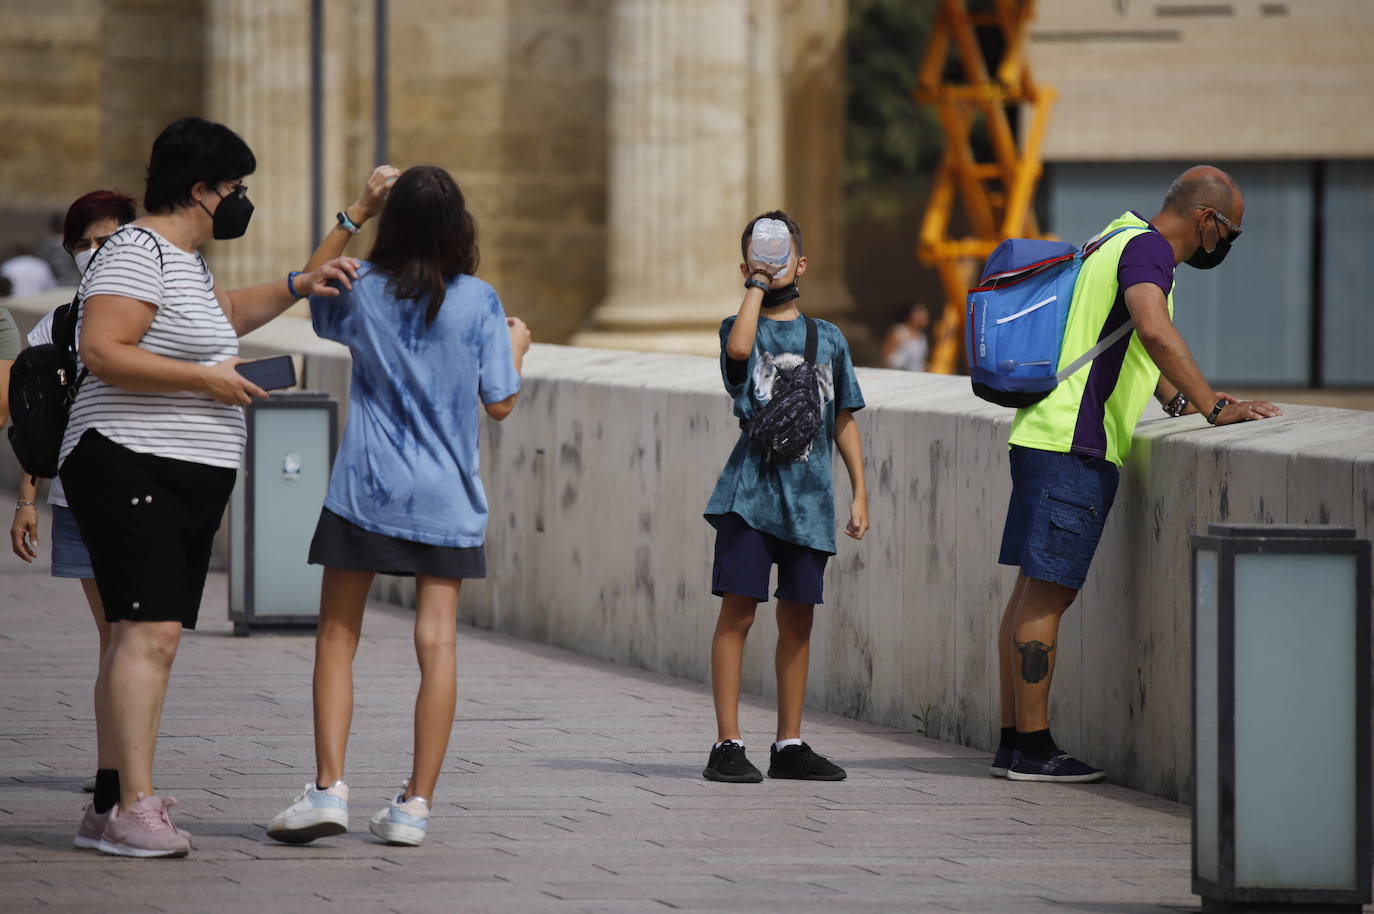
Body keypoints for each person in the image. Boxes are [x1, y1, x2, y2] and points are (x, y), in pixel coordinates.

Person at [57, 116, 358, 858]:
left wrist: (296, 284)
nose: (241, 200)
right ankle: (134, 807)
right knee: (147, 633)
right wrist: (205, 379)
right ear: (200, 190)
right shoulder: (134, 252)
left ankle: (113, 800)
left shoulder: (179, 260)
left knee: (142, 633)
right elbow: (102, 348)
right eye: (236, 188)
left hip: (174, 470)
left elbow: (218, 319)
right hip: (133, 461)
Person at [266, 164, 529, 849]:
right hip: (447, 497)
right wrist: (519, 346)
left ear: (395, 223)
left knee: (336, 636)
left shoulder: (361, 290)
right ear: (458, 227)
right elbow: (501, 402)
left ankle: (328, 788)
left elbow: (311, 281)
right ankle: (414, 806)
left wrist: (356, 209)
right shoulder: (479, 302)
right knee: (437, 644)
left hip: (366, 488)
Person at [991, 166, 1281, 783]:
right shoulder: (1150, 252)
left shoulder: (1117, 235)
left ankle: (1013, 741)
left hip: (1043, 434)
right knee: (1048, 594)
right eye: (1229, 232)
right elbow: (1151, 326)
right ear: (1207, 221)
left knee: (1030, 592)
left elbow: (1121, 344)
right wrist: (1214, 405)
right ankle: (1035, 749)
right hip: (1075, 445)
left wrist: (1175, 399)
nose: (1224, 245)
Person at [701, 210, 869, 784]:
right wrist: (755, 285)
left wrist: (860, 493)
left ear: (802, 263)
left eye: (781, 255)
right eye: (757, 255)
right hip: (750, 497)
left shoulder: (829, 338)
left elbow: (843, 417)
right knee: (739, 613)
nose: (771, 264)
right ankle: (727, 743)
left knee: (798, 620)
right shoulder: (736, 326)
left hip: (810, 501)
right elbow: (743, 351)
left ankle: (789, 742)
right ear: (746, 265)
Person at [10, 190, 139, 803]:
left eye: (105, 240)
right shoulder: (58, 323)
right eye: (82, 245)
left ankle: (118, 775)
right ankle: (119, 778)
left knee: (127, 638)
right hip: (78, 497)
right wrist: (27, 500)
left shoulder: (154, 313)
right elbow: (33, 419)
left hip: (143, 492)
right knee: (117, 636)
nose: (93, 253)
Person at [882, 302, 931, 371]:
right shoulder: (898, 331)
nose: (925, 316)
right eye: (920, 314)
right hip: (899, 375)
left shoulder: (922, 335)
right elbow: (886, 358)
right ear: (910, 315)